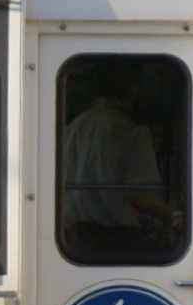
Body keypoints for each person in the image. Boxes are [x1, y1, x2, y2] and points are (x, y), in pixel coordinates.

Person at [58, 65, 182, 261]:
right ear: (132, 89)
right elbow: (137, 194)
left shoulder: (71, 129)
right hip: (118, 241)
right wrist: (175, 217)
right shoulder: (133, 132)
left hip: (72, 241)